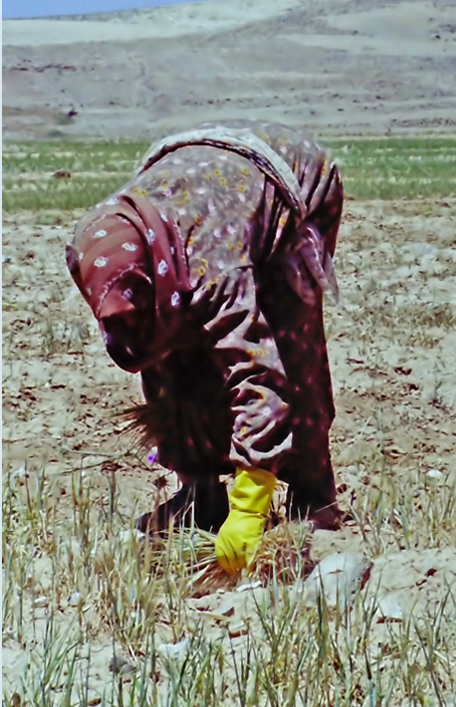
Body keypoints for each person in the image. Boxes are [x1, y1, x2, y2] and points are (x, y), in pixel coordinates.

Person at [66, 122, 344, 573]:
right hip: (201, 190)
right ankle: (201, 492)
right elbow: (150, 347)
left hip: (291, 177)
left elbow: (258, 376)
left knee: (289, 345)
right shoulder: (97, 243)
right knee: (173, 351)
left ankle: (314, 498)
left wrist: (251, 504)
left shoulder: (213, 267)